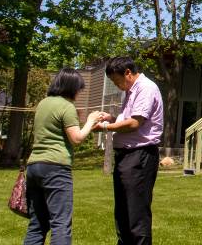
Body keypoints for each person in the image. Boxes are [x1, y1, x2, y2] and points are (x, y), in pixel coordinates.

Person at [24, 68, 103, 245]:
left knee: (37, 224)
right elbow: (76, 138)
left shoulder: (43, 103)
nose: (79, 92)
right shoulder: (67, 107)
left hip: (34, 166)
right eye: (78, 88)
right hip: (55, 168)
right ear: (71, 87)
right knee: (60, 223)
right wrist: (91, 121)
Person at [97, 57, 163, 245]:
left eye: (117, 81)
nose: (117, 85)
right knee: (123, 212)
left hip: (139, 156)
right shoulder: (131, 91)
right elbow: (128, 118)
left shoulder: (146, 88)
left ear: (127, 72)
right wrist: (111, 118)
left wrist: (104, 128)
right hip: (127, 157)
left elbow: (135, 123)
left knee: (136, 213)